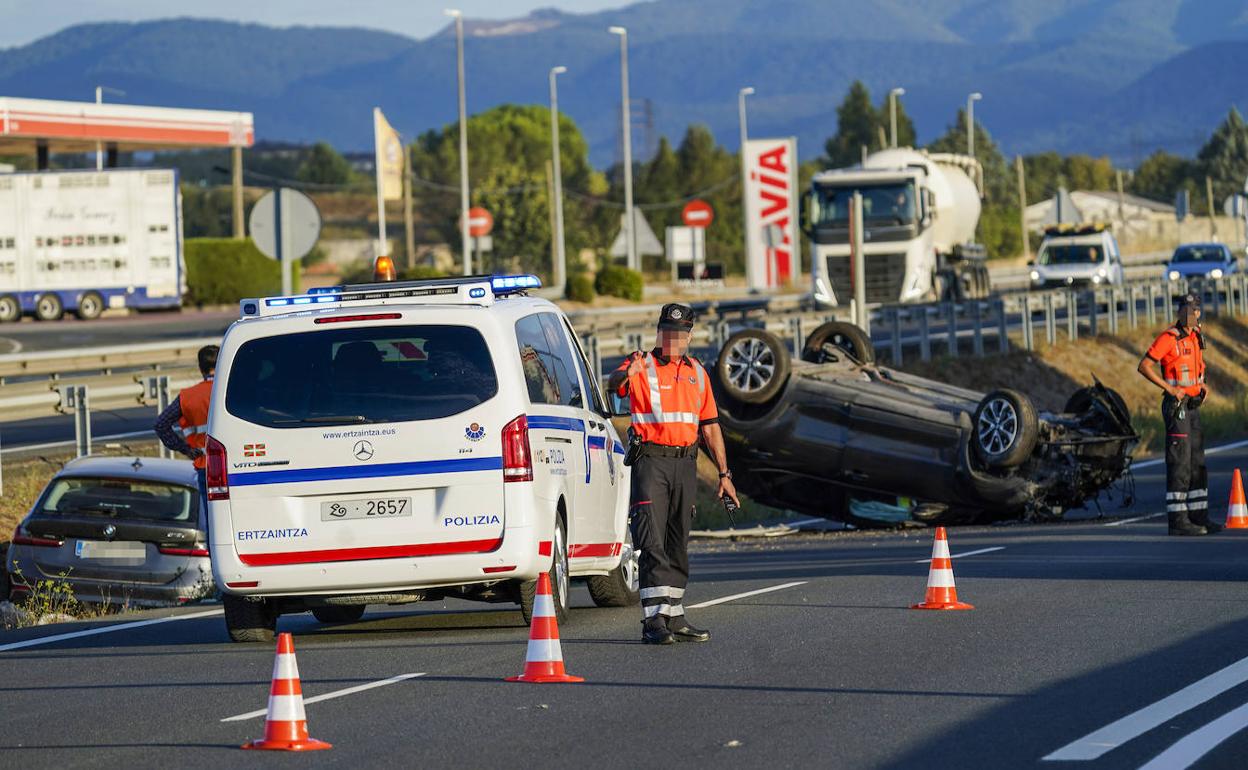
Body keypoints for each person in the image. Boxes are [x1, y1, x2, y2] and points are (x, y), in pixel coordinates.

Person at [606, 304, 739, 645]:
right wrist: (627, 373)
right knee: (652, 541)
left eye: (679, 334)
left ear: (689, 337)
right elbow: (614, 385)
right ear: (658, 332)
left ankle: (674, 615)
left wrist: (724, 474)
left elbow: (710, 427)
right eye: (667, 331)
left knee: (678, 541)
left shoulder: (697, 372)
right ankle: (653, 621)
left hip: (685, 464)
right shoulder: (641, 364)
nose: (673, 339)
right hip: (651, 461)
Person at [1137, 293, 1217, 536]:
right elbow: (1144, 365)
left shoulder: (1196, 337)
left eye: (1192, 309)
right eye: (1184, 309)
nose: (1188, 313)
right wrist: (1169, 388)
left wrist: (1203, 385)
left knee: (1196, 463)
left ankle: (1199, 516)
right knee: (1180, 463)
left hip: (1193, 406)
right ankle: (1178, 521)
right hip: (1177, 407)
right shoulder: (1169, 337)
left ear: (1198, 313)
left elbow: (1197, 369)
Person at [154, 345, 218, 524]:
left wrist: (186, 449)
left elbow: (161, 425)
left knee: (214, 526)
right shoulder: (235, 389)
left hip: (205, 467)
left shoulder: (188, 396)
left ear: (200, 367)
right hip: (238, 466)